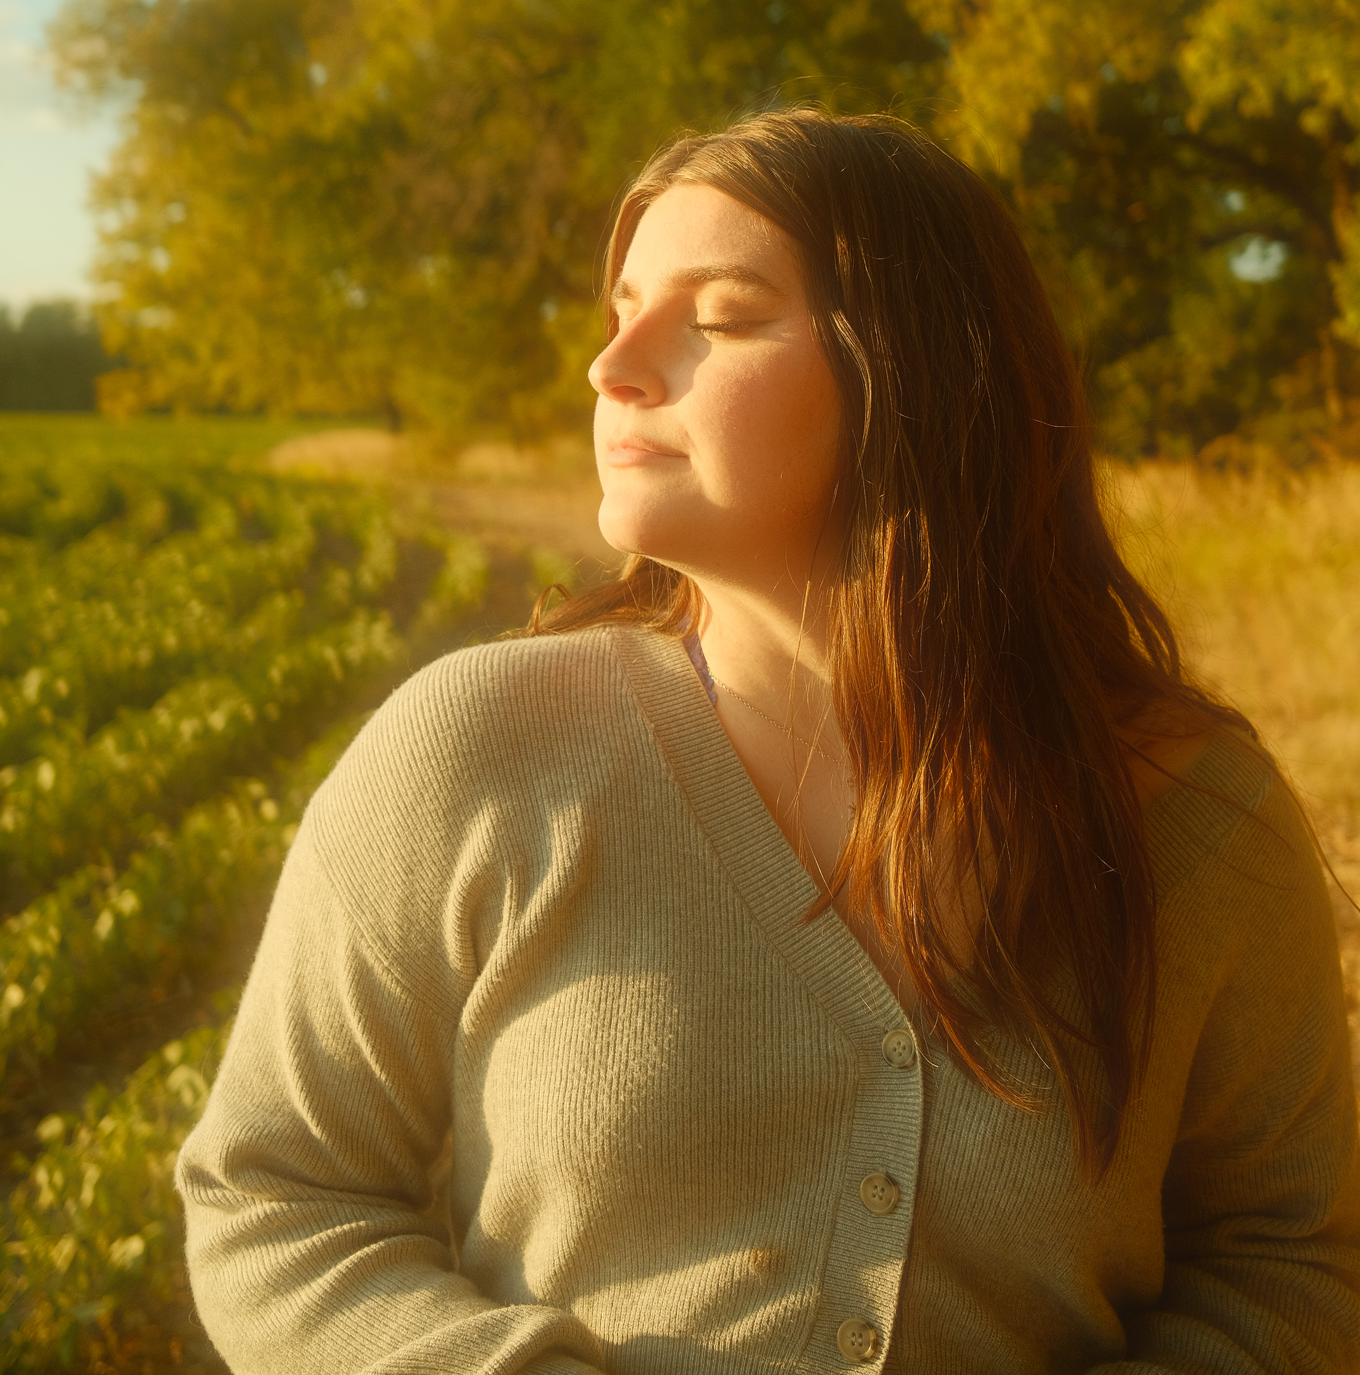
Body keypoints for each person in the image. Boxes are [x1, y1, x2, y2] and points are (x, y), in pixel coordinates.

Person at [177, 109, 1360, 1375]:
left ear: (915, 375)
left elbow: (1296, 1256)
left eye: (723, 317)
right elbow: (277, 1195)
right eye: (621, 307)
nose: (614, 364)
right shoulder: (474, 749)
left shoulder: (1199, 817)